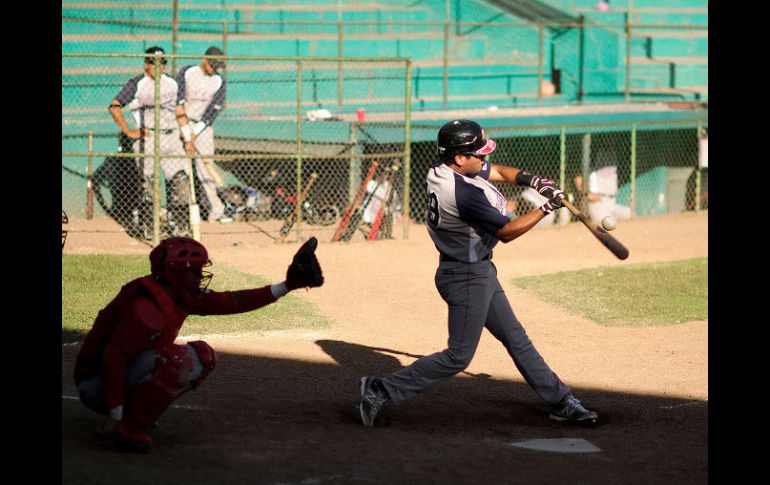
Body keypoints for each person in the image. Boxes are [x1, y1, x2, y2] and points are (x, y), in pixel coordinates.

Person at [358, 119, 599, 428]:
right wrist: (546, 208)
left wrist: (534, 181)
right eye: (478, 155)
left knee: (515, 338)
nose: (484, 160)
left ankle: (560, 400)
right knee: (458, 355)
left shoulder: (444, 166)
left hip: (475, 270)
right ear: (460, 158)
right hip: (467, 276)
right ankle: (380, 389)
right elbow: (507, 232)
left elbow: (497, 171)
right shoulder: (463, 195)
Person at [73, 236, 324, 454]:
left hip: (118, 376)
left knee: (202, 356)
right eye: (195, 271)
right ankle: (127, 430)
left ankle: (132, 418)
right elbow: (113, 359)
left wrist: (287, 285)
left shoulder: (178, 294)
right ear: (177, 273)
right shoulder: (145, 307)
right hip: (97, 384)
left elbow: (232, 301)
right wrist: (114, 414)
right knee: (177, 361)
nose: (200, 276)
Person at [108, 46, 191, 236]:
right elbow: (114, 106)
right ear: (146, 64)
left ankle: (179, 227)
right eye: (153, 63)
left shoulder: (172, 83)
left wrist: (187, 138)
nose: (158, 67)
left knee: (180, 180)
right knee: (150, 184)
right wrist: (129, 132)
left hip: (171, 137)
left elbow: (179, 111)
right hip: (148, 137)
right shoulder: (137, 84)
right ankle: (150, 228)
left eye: (162, 63)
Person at [175, 46, 230, 223]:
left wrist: (193, 136)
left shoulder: (219, 81)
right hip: (180, 121)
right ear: (204, 59)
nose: (214, 68)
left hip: (203, 127)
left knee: (206, 169)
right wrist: (185, 133)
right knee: (180, 169)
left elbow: (210, 114)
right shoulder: (187, 72)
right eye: (212, 64)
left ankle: (216, 210)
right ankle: (182, 213)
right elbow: (178, 103)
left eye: (217, 66)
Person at [574, 154, 631, 224]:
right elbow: (578, 180)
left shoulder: (613, 158)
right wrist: (587, 195)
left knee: (629, 214)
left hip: (612, 201)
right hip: (597, 204)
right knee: (609, 223)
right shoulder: (590, 163)